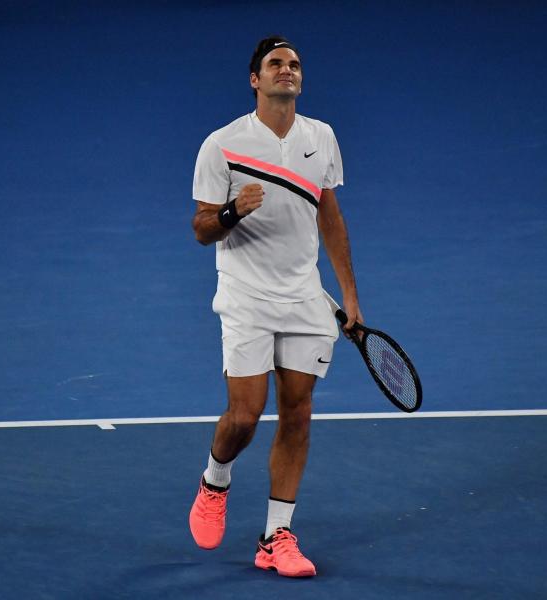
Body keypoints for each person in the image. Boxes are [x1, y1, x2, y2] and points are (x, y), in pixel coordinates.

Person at [188, 35, 362, 578]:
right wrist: (233, 212)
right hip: (245, 293)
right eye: (275, 64)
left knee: (297, 413)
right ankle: (215, 480)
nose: (287, 70)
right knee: (244, 415)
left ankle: (276, 535)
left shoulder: (322, 137)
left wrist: (349, 294)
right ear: (255, 80)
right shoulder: (223, 144)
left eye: (294, 64)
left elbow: (328, 214)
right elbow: (200, 228)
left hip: (304, 295)